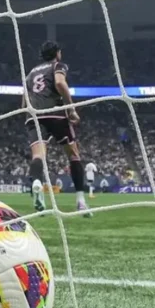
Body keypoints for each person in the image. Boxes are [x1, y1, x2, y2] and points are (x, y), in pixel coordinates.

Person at [24, 41, 91, 216]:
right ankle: (81, 202)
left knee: (38, 155)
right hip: (55, 113)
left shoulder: (30, 73)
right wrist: (71, 108)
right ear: (57, 53)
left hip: (34, 115)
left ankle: (37, 183)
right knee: (73, 154)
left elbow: (24, 101)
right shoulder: (58, 65)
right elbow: (60, 83)